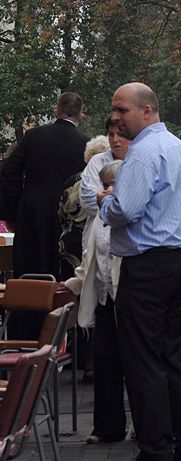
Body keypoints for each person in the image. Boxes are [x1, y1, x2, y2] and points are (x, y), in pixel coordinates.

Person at [99, 82, 181, 461]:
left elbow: (126, 209)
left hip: (147, 266)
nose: (116, 117)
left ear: (146, 111)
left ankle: (156, 451)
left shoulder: (142, 153)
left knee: (143, 359)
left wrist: (106, 201)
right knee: (174, 354)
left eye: (122, 109)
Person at [0, 92, 89, 339]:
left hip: (32, 215)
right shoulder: (85, 143)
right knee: (66, 277)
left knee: (30, 272)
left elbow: (9, 173)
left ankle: (26, 334)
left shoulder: (34, 137)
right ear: (81, 115)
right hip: (69, 221)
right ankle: (68, 339)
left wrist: (14, 210)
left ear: (55, 110)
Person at [64, 160, 126, 444]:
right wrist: (70, 286)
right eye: (105, 185)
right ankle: (107, 427)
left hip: (129, 297)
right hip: (103, 295)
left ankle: (144, 426)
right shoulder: (99, 217)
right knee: (104, 362)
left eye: (115, 184)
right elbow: (90, 260)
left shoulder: (130, 216)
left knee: (136, 364)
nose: (108, 190)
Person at [58, 135, 110, 281]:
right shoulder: (107, 182)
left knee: (71, 288)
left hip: (70, 240)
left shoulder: (71, 181)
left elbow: (61, 212)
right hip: (93, 240)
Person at [80, 118, 131, 246]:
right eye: (111, 134)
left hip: (129, 244)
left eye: (120, 134)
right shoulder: (97, 162)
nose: (115, 139)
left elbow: (137, 205)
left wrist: (106, 199)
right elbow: (88, 201)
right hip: (97, 242)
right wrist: (122, 202)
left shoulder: (140, 163)